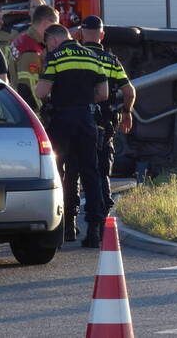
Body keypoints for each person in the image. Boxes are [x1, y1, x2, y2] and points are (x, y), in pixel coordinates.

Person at [34, 24, 108, 248]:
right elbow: (103, 94)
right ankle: (94, 229)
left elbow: (41, 92)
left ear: (53, 40)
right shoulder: (92, 55)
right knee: (90, 172)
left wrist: (53, 100)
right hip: (86, 119)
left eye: (47, 43)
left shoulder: (56, 56)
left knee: (59, 172)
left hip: (61, 119)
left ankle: (63, 227)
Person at [68, 16, 136, 227]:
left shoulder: (71, 57)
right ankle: (101, 225)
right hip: (104, 124)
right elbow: (129, 92)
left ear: (79, 34)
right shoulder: (111, 60)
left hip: (74, 121)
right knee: (100, 172)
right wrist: (126, 112)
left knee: (73, 171)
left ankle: (70, 225)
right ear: (102, 35)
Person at [9, 5, 59, 110]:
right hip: (30, 112)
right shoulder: (32, 50)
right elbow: (29, 88)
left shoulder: (24, 39)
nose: (56, 32)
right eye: (55, 26)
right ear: (46, 24)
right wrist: (41, 114)